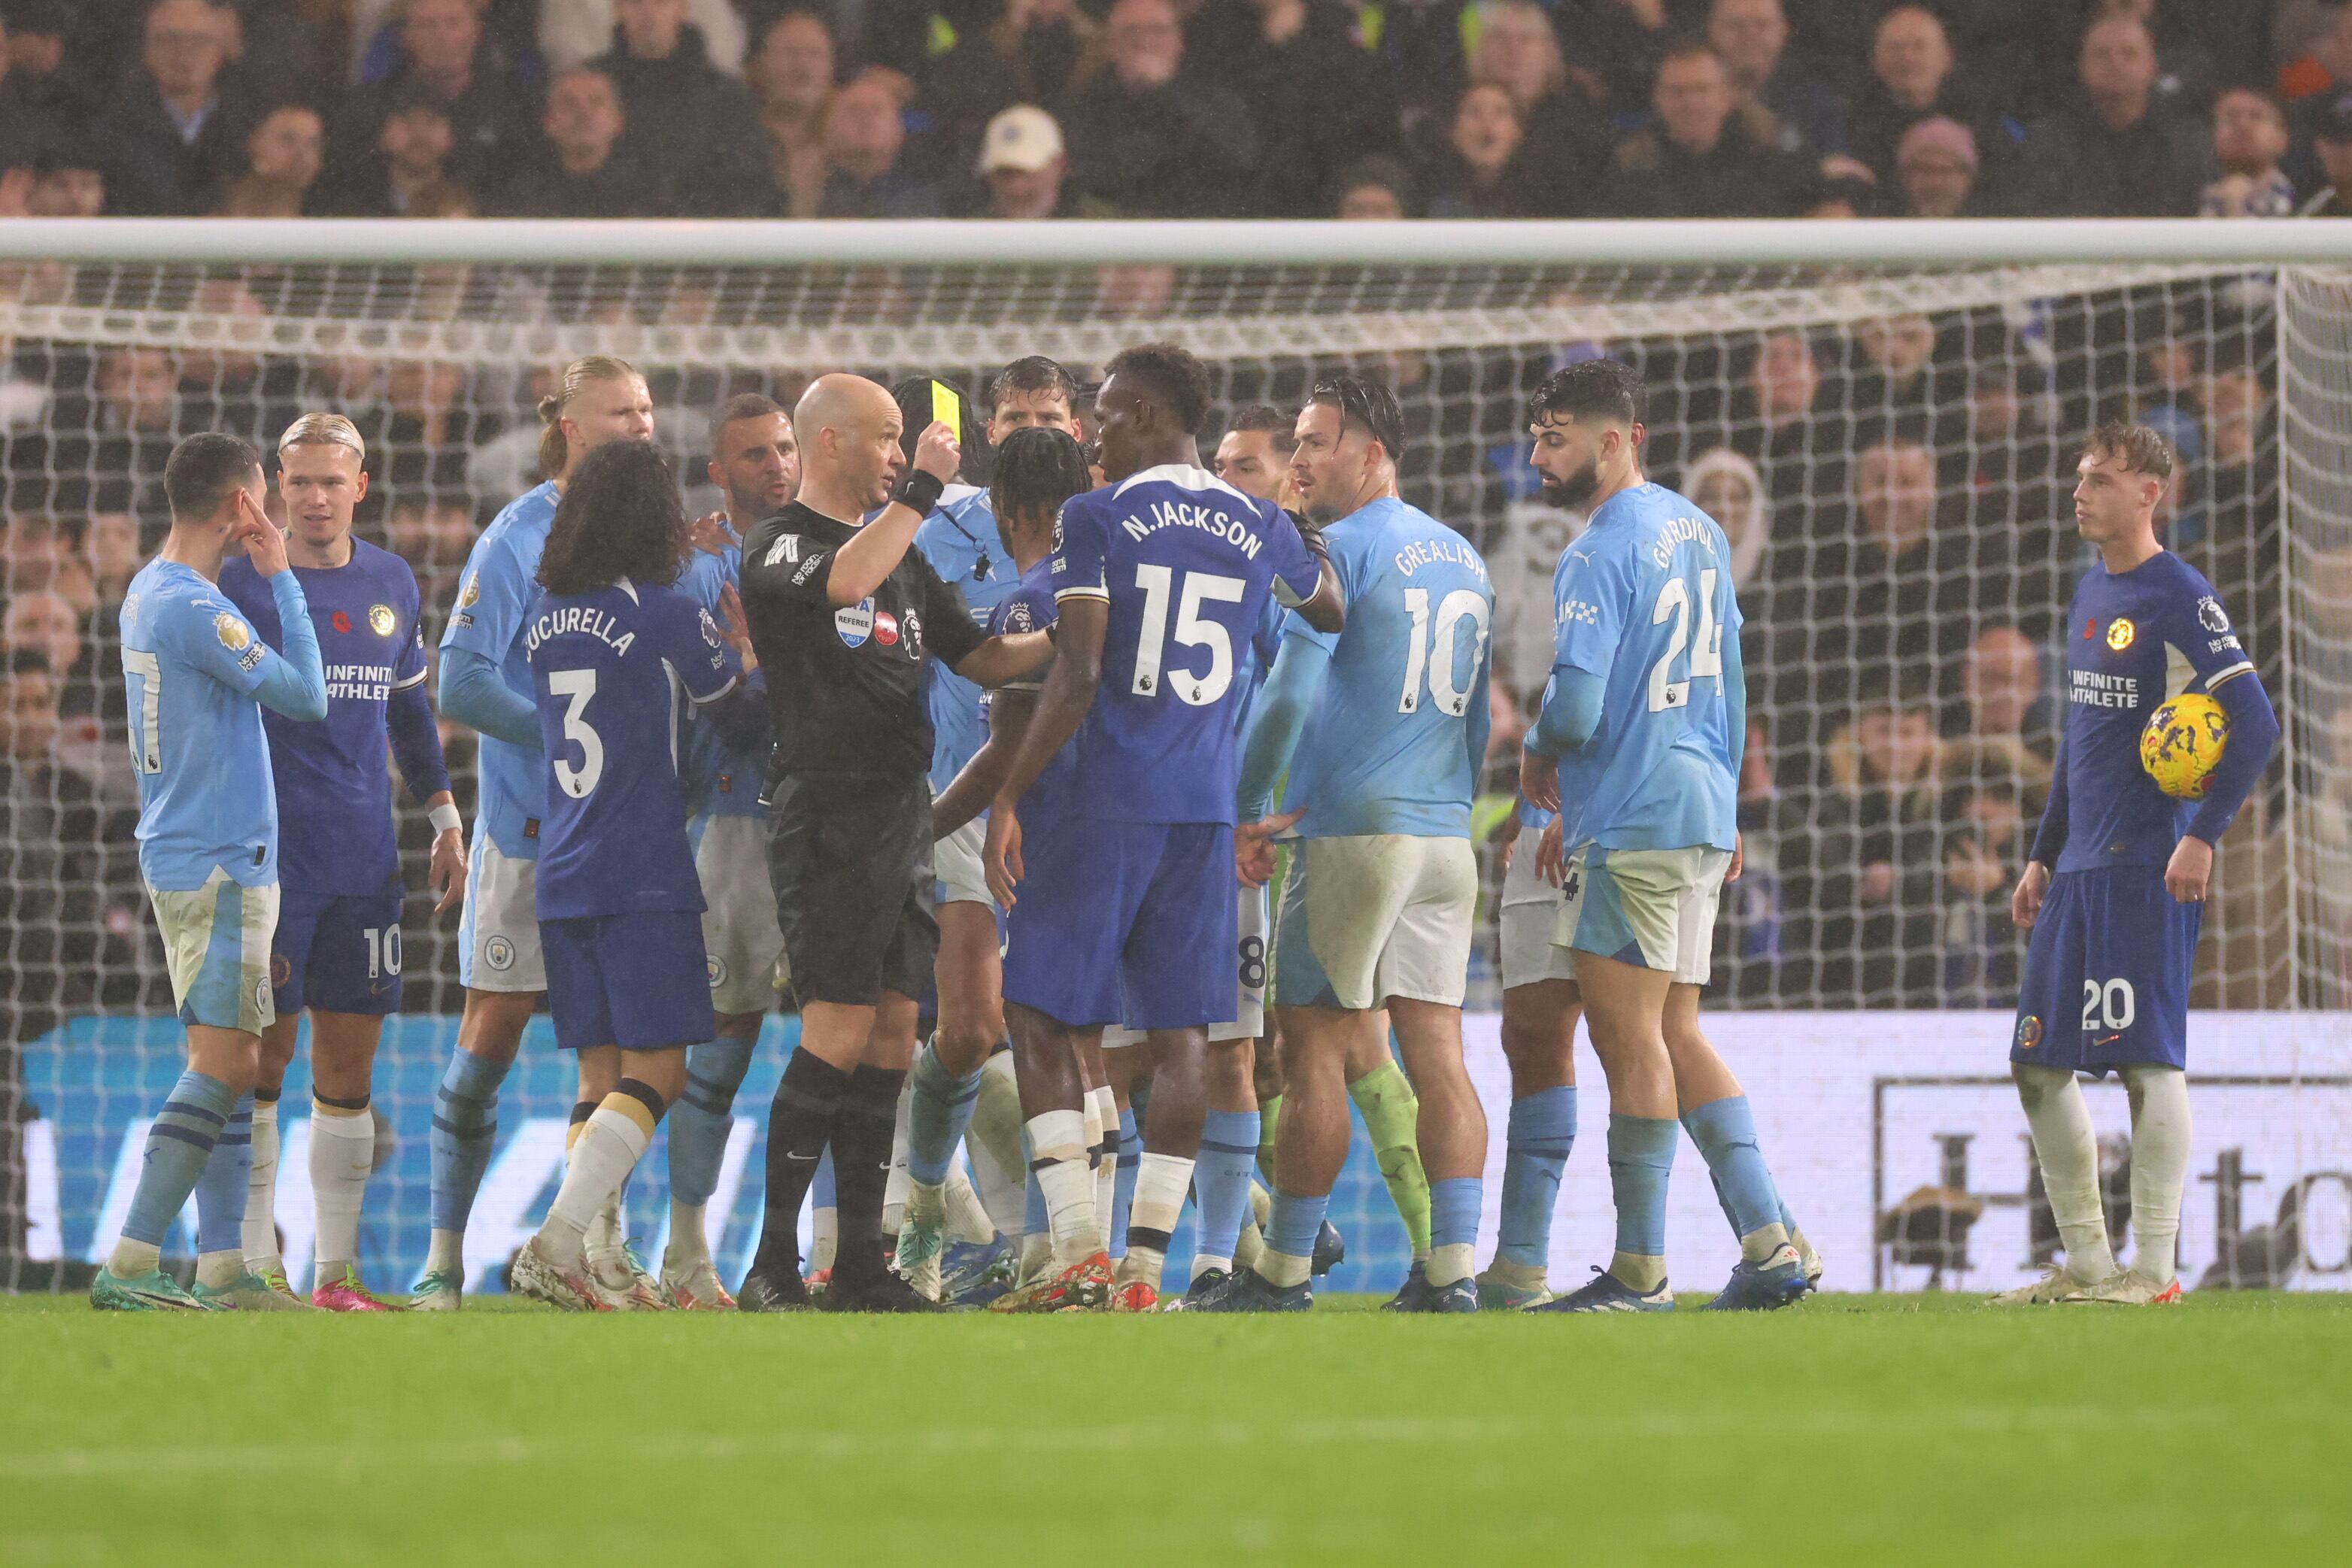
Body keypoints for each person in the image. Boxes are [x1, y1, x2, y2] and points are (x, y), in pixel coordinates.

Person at [979, 342, 1342, 1312]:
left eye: (1102, 413)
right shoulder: (1258, 519)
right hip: (1204, 805)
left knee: (1039, 1012)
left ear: (1141, 412)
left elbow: (1081, 666)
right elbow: (1332, 608)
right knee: (1184, 1032)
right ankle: (1146, 1269)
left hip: (1108, 793)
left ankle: (1076, 1255)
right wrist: (1291, 537)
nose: (1092, 431)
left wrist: (1011, 795)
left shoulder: (1097, 515)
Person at [733, 374, 1052, 1313]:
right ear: (828, 442)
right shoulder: (783, 544)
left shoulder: (904, 560)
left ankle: (861, 1265)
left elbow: (984, 657)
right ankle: (772, 1264)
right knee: (833, 1028)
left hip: (900, 812)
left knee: (887, 1037)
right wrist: (919, 489)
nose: (896, 455)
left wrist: (1080, 635)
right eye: (883, 438)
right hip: (824, 811)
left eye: (900, 442)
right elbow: (845, 581)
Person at [1517, 359, 1810, 1314]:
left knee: (1629, 1036)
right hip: (1694, 804)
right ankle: (1769, 1241)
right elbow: (1729, 668)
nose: (1536, 453)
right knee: (1676, 1027)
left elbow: (1576, 702)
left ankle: (1639, 1270)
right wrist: (1722, 803)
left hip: (1635, 811)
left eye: (1553, 436)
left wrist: (1535, 760)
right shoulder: (1699, 529)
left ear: (1613, 440)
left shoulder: (1596, 550)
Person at [1210, 375, 1492, 1314]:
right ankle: (1453, 1270)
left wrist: (1247, 805)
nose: (1300, 462)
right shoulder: (1462, 555)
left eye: (1317, 443)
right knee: (1437, 1051)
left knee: (1315, 1051)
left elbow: (1288, 696)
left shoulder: (1333, 552)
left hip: (1355, 836)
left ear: (1373, 454)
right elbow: (1481, 720)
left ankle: (1283, 1269)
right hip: (1445, 838)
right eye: (1294, 443)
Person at [1995, 423, 2279, 1308]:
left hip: (2146, 866)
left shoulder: (2178, 595)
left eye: (2102, 480)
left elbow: (2257, 725)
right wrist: (2040, 858)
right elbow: (2084, 744)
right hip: (2076, 867)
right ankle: (2086, 1259)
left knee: (2146, 1062)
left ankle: (2152, 1269)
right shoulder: (2089, 590)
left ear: (2150, 492)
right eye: (2080, 478)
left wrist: (2202, 835)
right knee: (2036, 1065)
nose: (2081, 493)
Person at [415, 354, 656, 1311]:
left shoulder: (652, 542)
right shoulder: (517, 539)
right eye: (618, 412)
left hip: (624, 833)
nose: (639, 426)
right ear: (568, 426)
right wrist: (574, 733)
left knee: (616, 1044)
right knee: (494, 1036)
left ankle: (602, 1251)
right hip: (529, 827)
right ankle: (442, 1259)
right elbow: (461, 683)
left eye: (645, 409)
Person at [210, 414, 463, 1310]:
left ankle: (335, 1275)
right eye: (299, 481)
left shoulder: (391, 579)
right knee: (260, 1065)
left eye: (331, 481)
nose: (314, 498)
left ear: (362, 484)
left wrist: (443, 817)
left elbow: (408, 715)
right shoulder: (236, 581)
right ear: (276, 487)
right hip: (268, 856)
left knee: (348, 1075)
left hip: (364, 858)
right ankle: (253, 1262)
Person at [508, 440, 763, 1309]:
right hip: (643, 868)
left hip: (565, 870)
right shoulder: (664, 617)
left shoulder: (544, 616)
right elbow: (743, 723)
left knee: (603, 1073)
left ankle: (598, 1259)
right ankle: (556, 1241)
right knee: (658, 1072)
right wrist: (751, 657)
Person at [90, 432, 327, 1310]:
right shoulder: (195, 607)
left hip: (195, 850)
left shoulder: (149, 589)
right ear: (242, 506)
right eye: (262, 496)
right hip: (219, 860)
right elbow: (308, 696)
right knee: (226, 1062)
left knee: (232, 1057)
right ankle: (130, 1261)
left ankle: (224, 1269)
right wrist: (283, 579)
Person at [892, 359, 1081, 1302]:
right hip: (960, 803)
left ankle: (1060, 1246)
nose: (1026, 429)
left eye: (1047, 415)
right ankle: (921, 1214)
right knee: (968, 1032)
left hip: (1068, 813)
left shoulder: (1107, 533)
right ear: (986, 428)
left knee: (1072, 1038)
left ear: (1078, 428)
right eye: (1011, 416)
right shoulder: (935, 524)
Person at [925, 426, 1100, 1298]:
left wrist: (927, 827)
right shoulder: (1114, 584)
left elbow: (1002, 752)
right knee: (1101, 1045)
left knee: (1032, 1026)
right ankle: (1095, 1250)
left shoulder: (1032, 600)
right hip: (1142, 827)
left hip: (1058, 837)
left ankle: (1074, 1252)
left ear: (1005, 510)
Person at [656, 393, 794, 1311]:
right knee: (721, 1050)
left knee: (864, 1043)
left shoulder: (841, 555)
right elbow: (725, 725)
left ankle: (843, 1247)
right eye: (753, 455)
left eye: (784, 448)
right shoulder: (698, 581)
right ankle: (685, 1250)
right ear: (719, 472)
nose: (775, 466)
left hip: (833, 826)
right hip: (735, 827)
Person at [590, 0, 772, 218]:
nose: (648, 12)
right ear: (617, 9)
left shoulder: (726, 98)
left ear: (684, 8)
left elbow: (749, 184)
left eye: (661, 3)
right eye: (635, 3)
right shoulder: (586, 92)